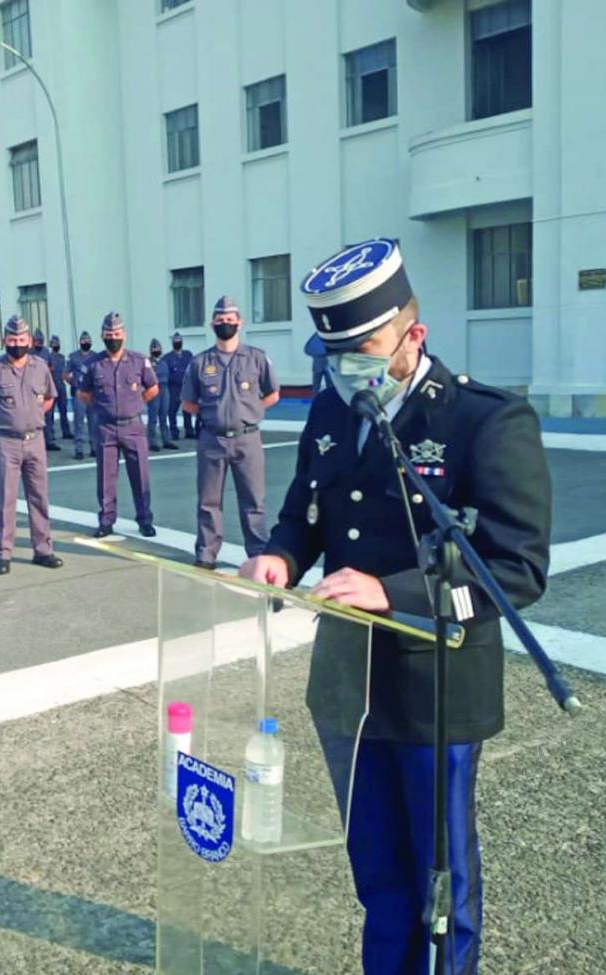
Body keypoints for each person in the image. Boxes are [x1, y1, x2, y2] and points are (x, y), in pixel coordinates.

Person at [240, 238, 552, 975]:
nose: (348, 364)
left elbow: (519, 568)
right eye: (335, 350)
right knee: (376, 869)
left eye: (365, 347)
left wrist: (394, 591)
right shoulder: (330, 407)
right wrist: (281, 554)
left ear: (415, 335)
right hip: (351, 680)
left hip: (434, 684)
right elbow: (304, 513)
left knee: (440, 881)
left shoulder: (485, 421)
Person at [181, 295, 279, 569]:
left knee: (253, 501)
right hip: (212, 438)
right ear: (212, 324)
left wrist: (251, 412)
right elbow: (187, 402)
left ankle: (258, 553)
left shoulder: (256, 358)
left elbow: (273, 394)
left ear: (240, 323)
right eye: (221, 320)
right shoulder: (200, 362)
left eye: (230, 320)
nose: (226, 324)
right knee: (208, 501)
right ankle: (206, 553)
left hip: (247, 439)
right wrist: (214, 415)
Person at [0, 315, 63, 575]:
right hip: (6, 442)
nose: (17, 343)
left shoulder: (40, 367)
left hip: (35, 440)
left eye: (21, 339)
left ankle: (43, 549)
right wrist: (6, 421)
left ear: (29, 341)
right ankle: (3, 554)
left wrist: (32, 418)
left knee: (39, 497)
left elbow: (49, 398)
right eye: (12, 339)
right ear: (5, 341)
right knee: (6, 499)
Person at [80, 313, 158, 538]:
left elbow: (153, 388)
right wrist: (103, 407)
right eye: (108, 334)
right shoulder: (93, 364)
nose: (112, 338)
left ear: (123, 334)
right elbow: (83, 393)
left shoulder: (138, 360)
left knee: (140, 475)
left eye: (116, 334)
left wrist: (135, 404)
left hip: (133, 426)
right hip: (106, 428)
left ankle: (145, 520)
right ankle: (106, 520)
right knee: (106, 477)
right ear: (102, 336)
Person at [65, 330, 96, 460]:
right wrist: (73, 383)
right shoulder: (73, 357)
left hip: (92, 393)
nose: (86, 342)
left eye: (88, 340)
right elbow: (65, 374)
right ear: (80, 342)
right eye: (84, 340)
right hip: (79, 393)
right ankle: (79, 449)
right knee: (79, 422)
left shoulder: (96, 356)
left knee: (93, 422)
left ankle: (94, 447)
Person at [31, 329, 62, 452]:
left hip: (44, 389)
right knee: (33, 416)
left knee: (48, 415)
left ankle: (49, 440)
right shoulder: (28, 352)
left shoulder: (46, 352)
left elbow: (51, 367)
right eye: (37, 341)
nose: (39, 343)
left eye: (41, 341)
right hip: (32, 390)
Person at [161, 331, 195, 440]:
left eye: (179, 341)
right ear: (172, 343)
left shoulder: (188, 355)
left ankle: (189, 431)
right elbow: (164, 373)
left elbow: (193, 368)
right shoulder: (167, 358)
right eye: (175, 341)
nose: (177, 343)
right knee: (172, 411)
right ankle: (174, 432)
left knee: (187, 410)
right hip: (173, 387)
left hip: (186, 386)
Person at [145, 338, 178, 452]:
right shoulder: (148, 362)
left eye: (158, 347)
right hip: (154, 388)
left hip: (165, 388)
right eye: (154, 348)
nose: (156, 349)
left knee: (164, 416)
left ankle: (166, 440)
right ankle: (152, 441)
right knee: (153, 416)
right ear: (150, 350)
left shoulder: (164, 361)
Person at [48, 335, 73, 441]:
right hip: (52, 385)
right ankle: (50, 434)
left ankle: (66, 432)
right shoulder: (48, 357)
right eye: (54, 344)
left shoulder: (62, 357)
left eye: (57, 344)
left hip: (61, 385)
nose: (56, 346)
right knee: (50, 412)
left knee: (63, 410)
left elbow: (65, 372)